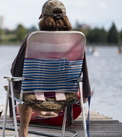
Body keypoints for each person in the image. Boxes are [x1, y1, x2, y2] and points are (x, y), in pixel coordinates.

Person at [10, 0, 92, 137]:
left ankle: (23, 132)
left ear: (43, 18)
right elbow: (83, 70)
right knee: (28, 85)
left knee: (22, 85)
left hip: (34, 96)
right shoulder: (76, 39)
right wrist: (86, 92)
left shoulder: (32, 38)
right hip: (65, 95)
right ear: (65, 18)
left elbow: (15, 71)